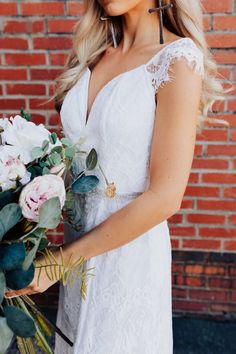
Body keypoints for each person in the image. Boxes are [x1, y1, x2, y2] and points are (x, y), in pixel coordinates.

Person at [5, 0, 229, 353]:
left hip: (129, 256)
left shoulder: (177, 59)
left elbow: (166, 197)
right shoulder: (92, 55)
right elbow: (74, 163)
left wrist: (59, 262)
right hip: (76, 245)